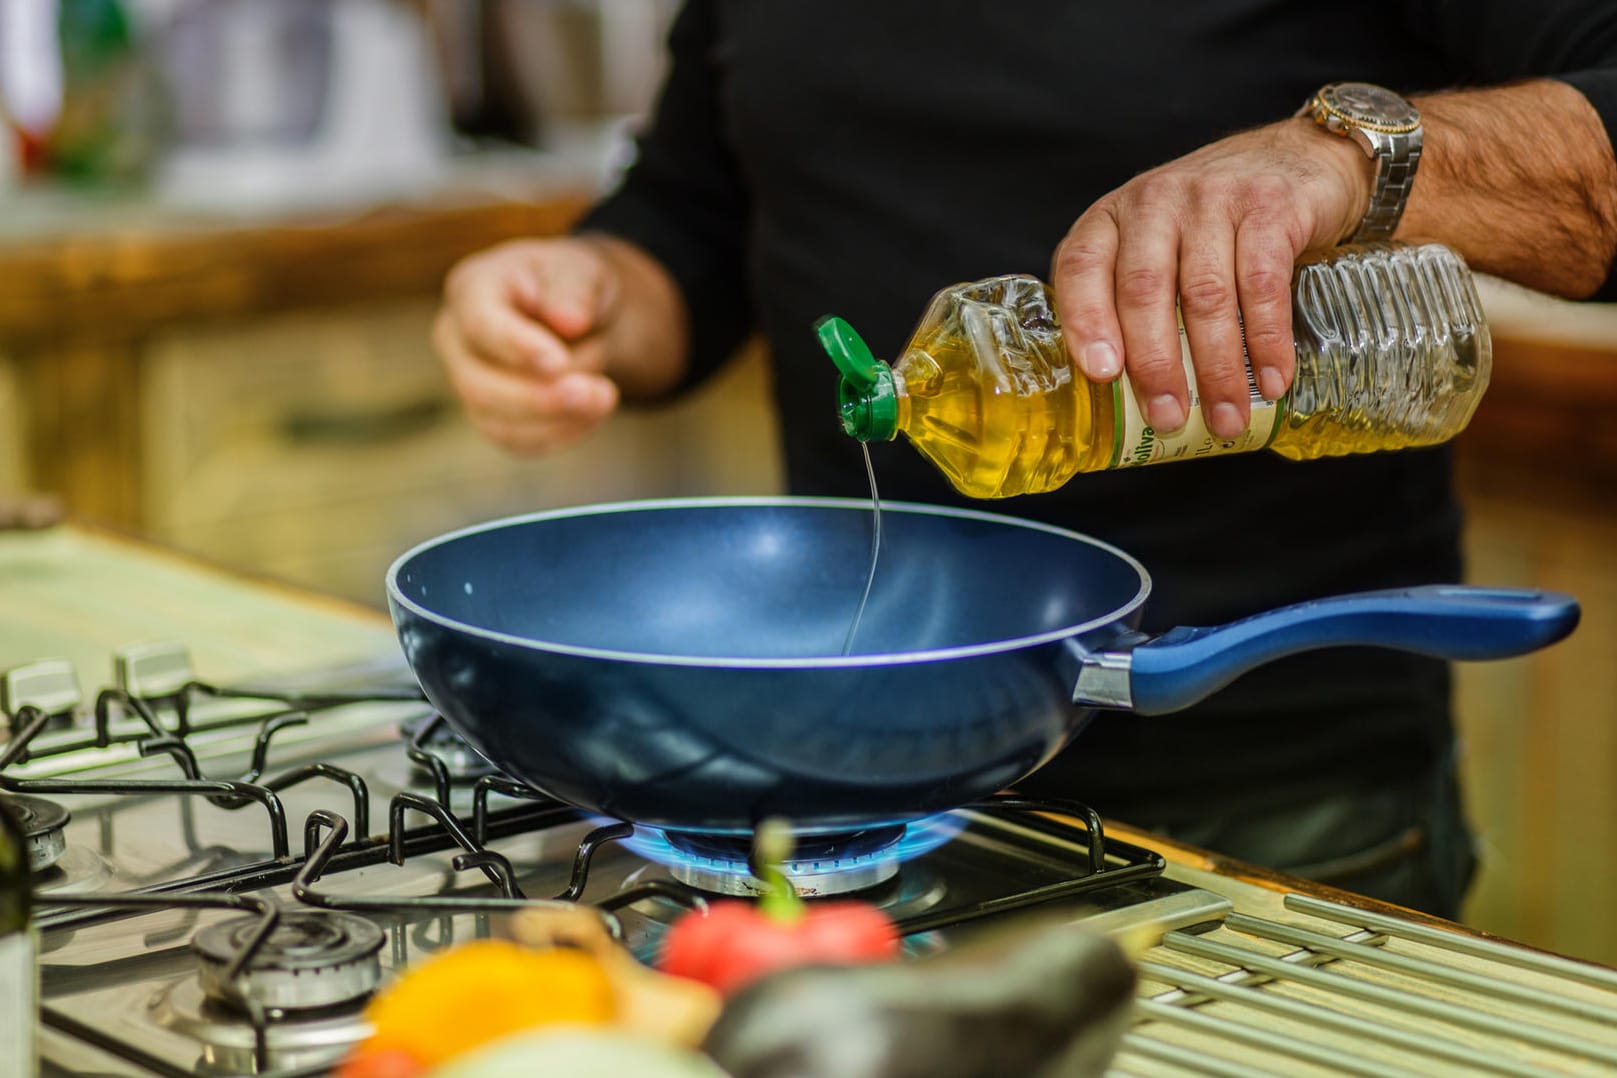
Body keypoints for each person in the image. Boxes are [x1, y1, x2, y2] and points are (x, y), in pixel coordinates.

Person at [431, 2, 1617, 918]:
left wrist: (1352, 160)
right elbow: (690, 212)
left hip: (1263, 800)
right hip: (837, 792)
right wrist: (588, 297)